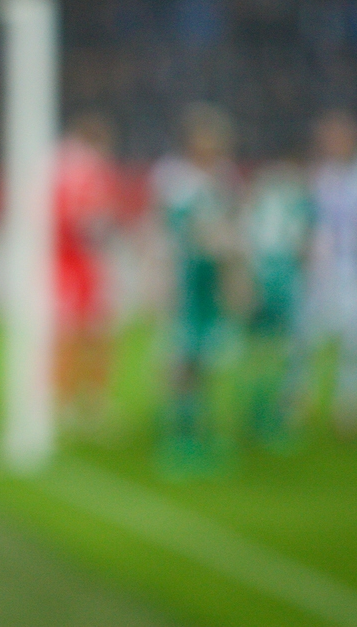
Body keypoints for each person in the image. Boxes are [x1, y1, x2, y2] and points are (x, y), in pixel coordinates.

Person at [151, 102, 240, 474]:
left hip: (210, 288)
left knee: (205, 361)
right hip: (186, 285)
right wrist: (162, 280)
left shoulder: (222, 180)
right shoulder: (176, 181)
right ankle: (177, 436)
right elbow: (172, 233)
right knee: (181, 360)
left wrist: (233, 273)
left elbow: (228, 232)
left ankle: (199, 432)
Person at [299, 110, 357, 436]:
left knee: (356, 344)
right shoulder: (319, 176)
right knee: (307, 340)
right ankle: (299, 403)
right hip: (322, 273)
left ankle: (350, 408)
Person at [52, 112, 120, 436]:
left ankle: (67, 401)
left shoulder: (57, 164)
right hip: (80, 263)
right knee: (91, 334)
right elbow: (88, 220)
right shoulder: (85, 170)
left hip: (61, 262)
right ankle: (88, 402)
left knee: (71, 333)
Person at [240, 152, 312, 447]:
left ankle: (259, 414)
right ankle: (271, 417)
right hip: (277, 282)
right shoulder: (295, 202)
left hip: (260, 279)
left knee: (260, 352)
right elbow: (302, 247)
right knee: (279, 351)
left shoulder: (258, 201)